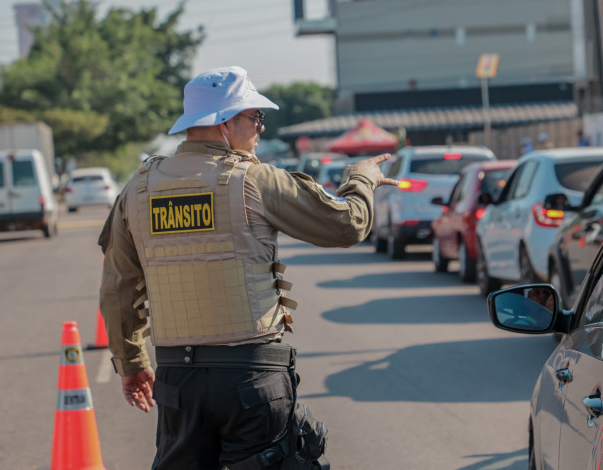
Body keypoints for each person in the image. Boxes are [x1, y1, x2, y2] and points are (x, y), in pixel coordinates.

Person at [98, 66, 399, 470]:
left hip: (178, 382)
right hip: (252, 379)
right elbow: (347, 225)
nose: (260, 128)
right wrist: (361, 180)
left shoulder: (137, 190)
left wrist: (132, 363)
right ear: (224, 122)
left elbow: (118, 287)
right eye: (255, 117)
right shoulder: (255, 180)